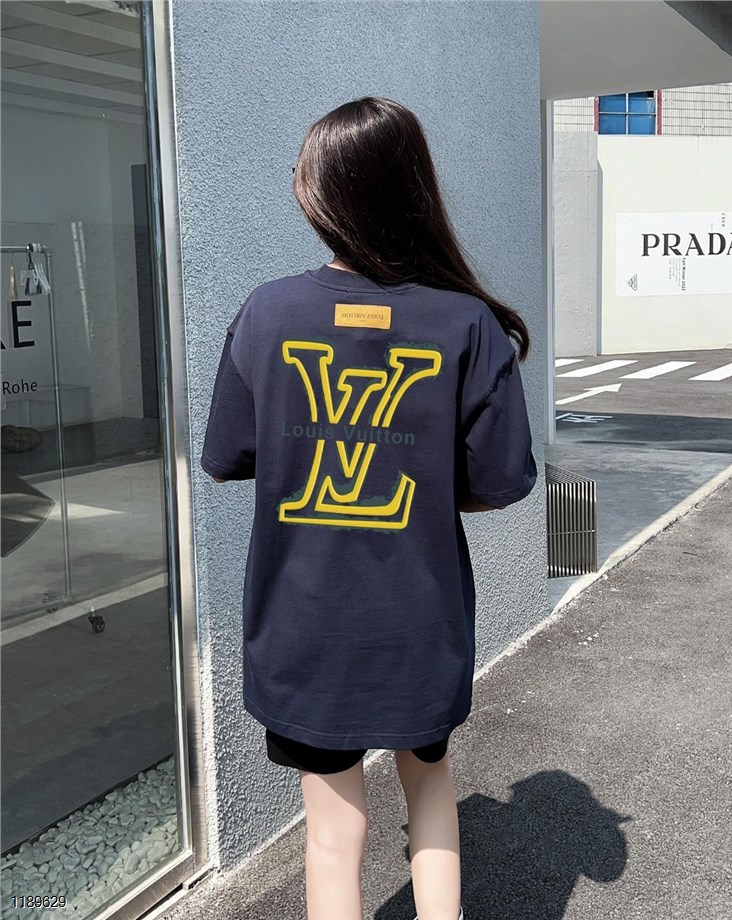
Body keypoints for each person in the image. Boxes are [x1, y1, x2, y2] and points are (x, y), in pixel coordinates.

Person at [200, 96, 538, 920]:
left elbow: (228, 457)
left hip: (304, 620)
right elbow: (501, 480)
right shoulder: (466, 324)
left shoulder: (267, 312)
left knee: (331, 830)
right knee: (431, 785)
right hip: (420, 619)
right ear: (411, 189)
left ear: (322, 191)